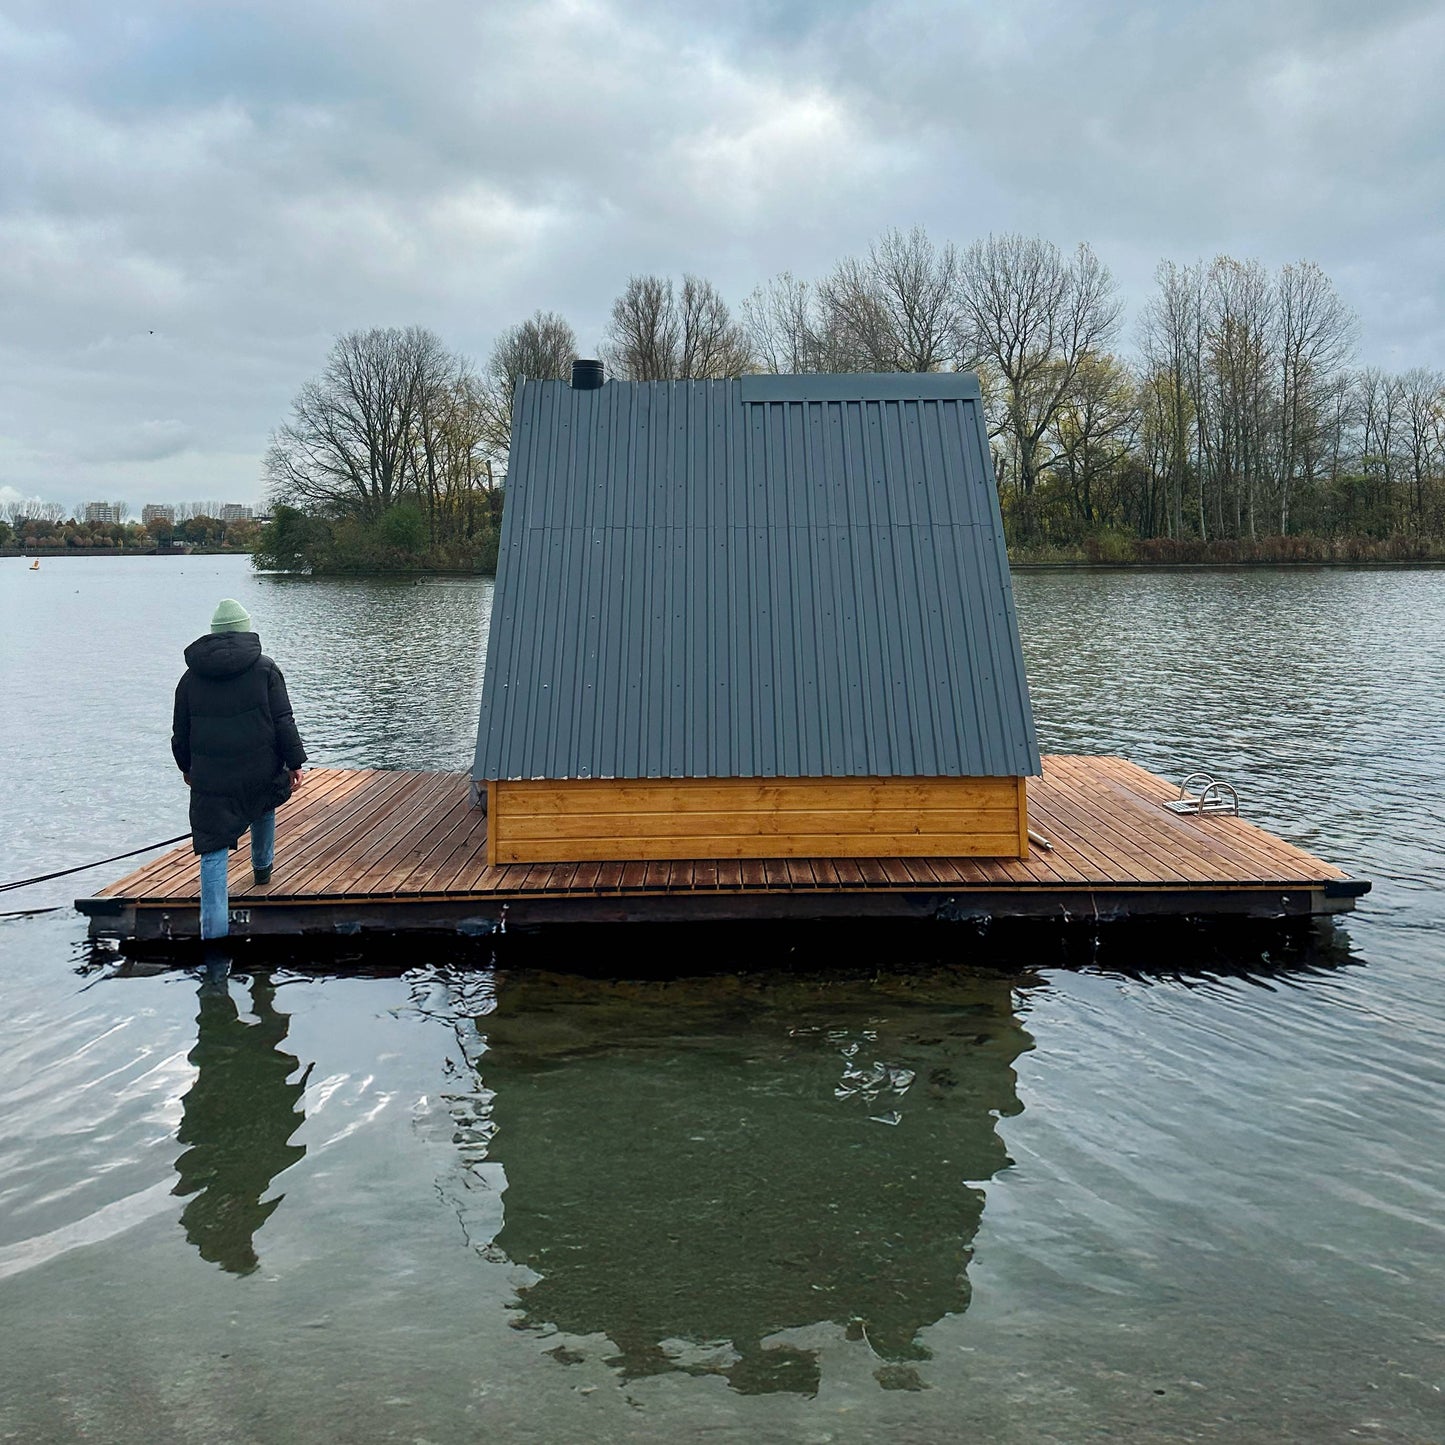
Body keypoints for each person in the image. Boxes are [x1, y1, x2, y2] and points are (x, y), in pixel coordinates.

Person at [172, 599, 306, 940]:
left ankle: (213, 935)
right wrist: (294, 762)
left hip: (211, 777)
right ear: (246, 630)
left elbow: (180, 732)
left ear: (214, 633)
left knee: (212, 846)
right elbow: (283, 720)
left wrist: (186, 767)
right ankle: (262, 869)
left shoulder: (190, 678)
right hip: (259, 765)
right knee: (263, 805)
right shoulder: (266, 669)